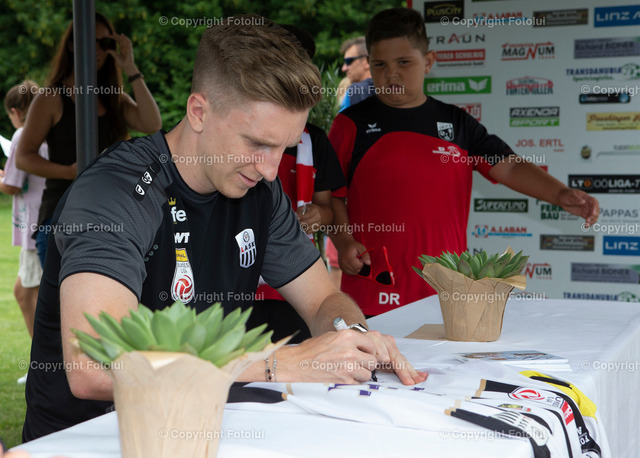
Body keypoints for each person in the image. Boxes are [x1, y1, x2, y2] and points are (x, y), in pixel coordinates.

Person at [23, 15, 426, 442]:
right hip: (93, 441)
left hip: (197, 431)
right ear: (198, 111)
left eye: (284, 148)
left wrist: (355, 338)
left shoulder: (258, 190)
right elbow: (95, 364)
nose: (271, 171)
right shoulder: (114, 192)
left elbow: (323, 298)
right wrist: (280, 364)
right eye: (258, 144)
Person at [328, 8, 600, 316]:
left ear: (428, 61)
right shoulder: (349, 124)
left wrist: (560, 194)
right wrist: (343, 239)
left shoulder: (458, 123)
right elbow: (330, 196)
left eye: (404, 62)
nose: (392, 74)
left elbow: (509, 166)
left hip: (448, 293)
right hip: (373, 292)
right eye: (380, 64)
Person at [15, 12, 162, 268]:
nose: (97, 49)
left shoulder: (113, 97)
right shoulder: (51, 97)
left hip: (109, 216)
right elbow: (23, 157)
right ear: (72, 44)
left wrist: (130, 67)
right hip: (61, 217)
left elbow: (152, 124)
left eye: (104, 42)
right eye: (88, 40)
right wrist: (69, 171)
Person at [252, 25, 346, 343]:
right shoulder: (232, 133)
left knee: (299, 357)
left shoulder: (314, 140)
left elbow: (329, 209)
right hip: (238, 285)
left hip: (296, 286)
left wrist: (319, 214)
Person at [1, 81, 48, 384]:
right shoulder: (48, 131)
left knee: (29, 294)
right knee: (25, 292)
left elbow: (13, 185)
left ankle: (43, 364)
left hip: (33, 225)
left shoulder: (22, 134)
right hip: (44, 221)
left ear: (16, 112)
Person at [339, 36, 375, 111]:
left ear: (367, 61)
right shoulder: (393, 89)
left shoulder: (356, 90)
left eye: (348, 61)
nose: (344, 68)